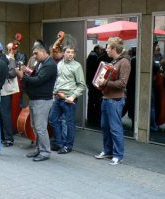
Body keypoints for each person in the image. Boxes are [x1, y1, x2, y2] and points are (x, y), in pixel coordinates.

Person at [15, 41, 57, 162]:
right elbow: (35, 75)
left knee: (40, 127)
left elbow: (39, 80)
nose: (34, 56)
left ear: (43, 52)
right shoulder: (41, 62)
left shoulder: (50, 64)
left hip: (42, 100)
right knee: (35, 126)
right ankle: (39, 148)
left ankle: (45, 152)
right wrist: (26, 70)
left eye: (36, 53)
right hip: (36, 98)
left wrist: (23, 76)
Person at [94, 37, 131, 165]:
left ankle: (118, 155)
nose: (106, 50)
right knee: (105, 126)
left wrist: (105, 82)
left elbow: (122, 83)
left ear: (114, 49)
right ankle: (108, 151)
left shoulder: (124, 62)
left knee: (115, 128)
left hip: (115, 100)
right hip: (107, 98)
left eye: (108, 48)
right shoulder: (115, 61)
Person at [49, 45, 86, 154]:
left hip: (68, 98)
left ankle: (68, 146)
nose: (70, 54)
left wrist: (73, 97)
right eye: (68, 52)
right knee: (52, 119)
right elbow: (57, 80)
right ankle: (59, 143)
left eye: (72, 52)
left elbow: (82, 85)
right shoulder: (59, 64)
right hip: (58, 97)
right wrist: (53, 94)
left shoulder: (77, 66)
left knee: (69, 122)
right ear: (63, 53)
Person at [0, 43, 20, 146]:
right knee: (0, 115)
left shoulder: (11, 59)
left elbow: (12, 74)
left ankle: (8, 138)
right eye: (9, 49)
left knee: (5, 114)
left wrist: (1, 72)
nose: (11, 50)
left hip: (6, 91)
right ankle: (2, 136)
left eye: (12, 49)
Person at [86, 45, 103, 127]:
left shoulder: (92, 55)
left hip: (90, 82)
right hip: (92, 83)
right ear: (97, 49)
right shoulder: (94, 56)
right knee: (93, 101)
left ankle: (91, 118)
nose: (101, 51)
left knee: (91, 101)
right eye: (101, 49)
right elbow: (93, 71)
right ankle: (92, 119)